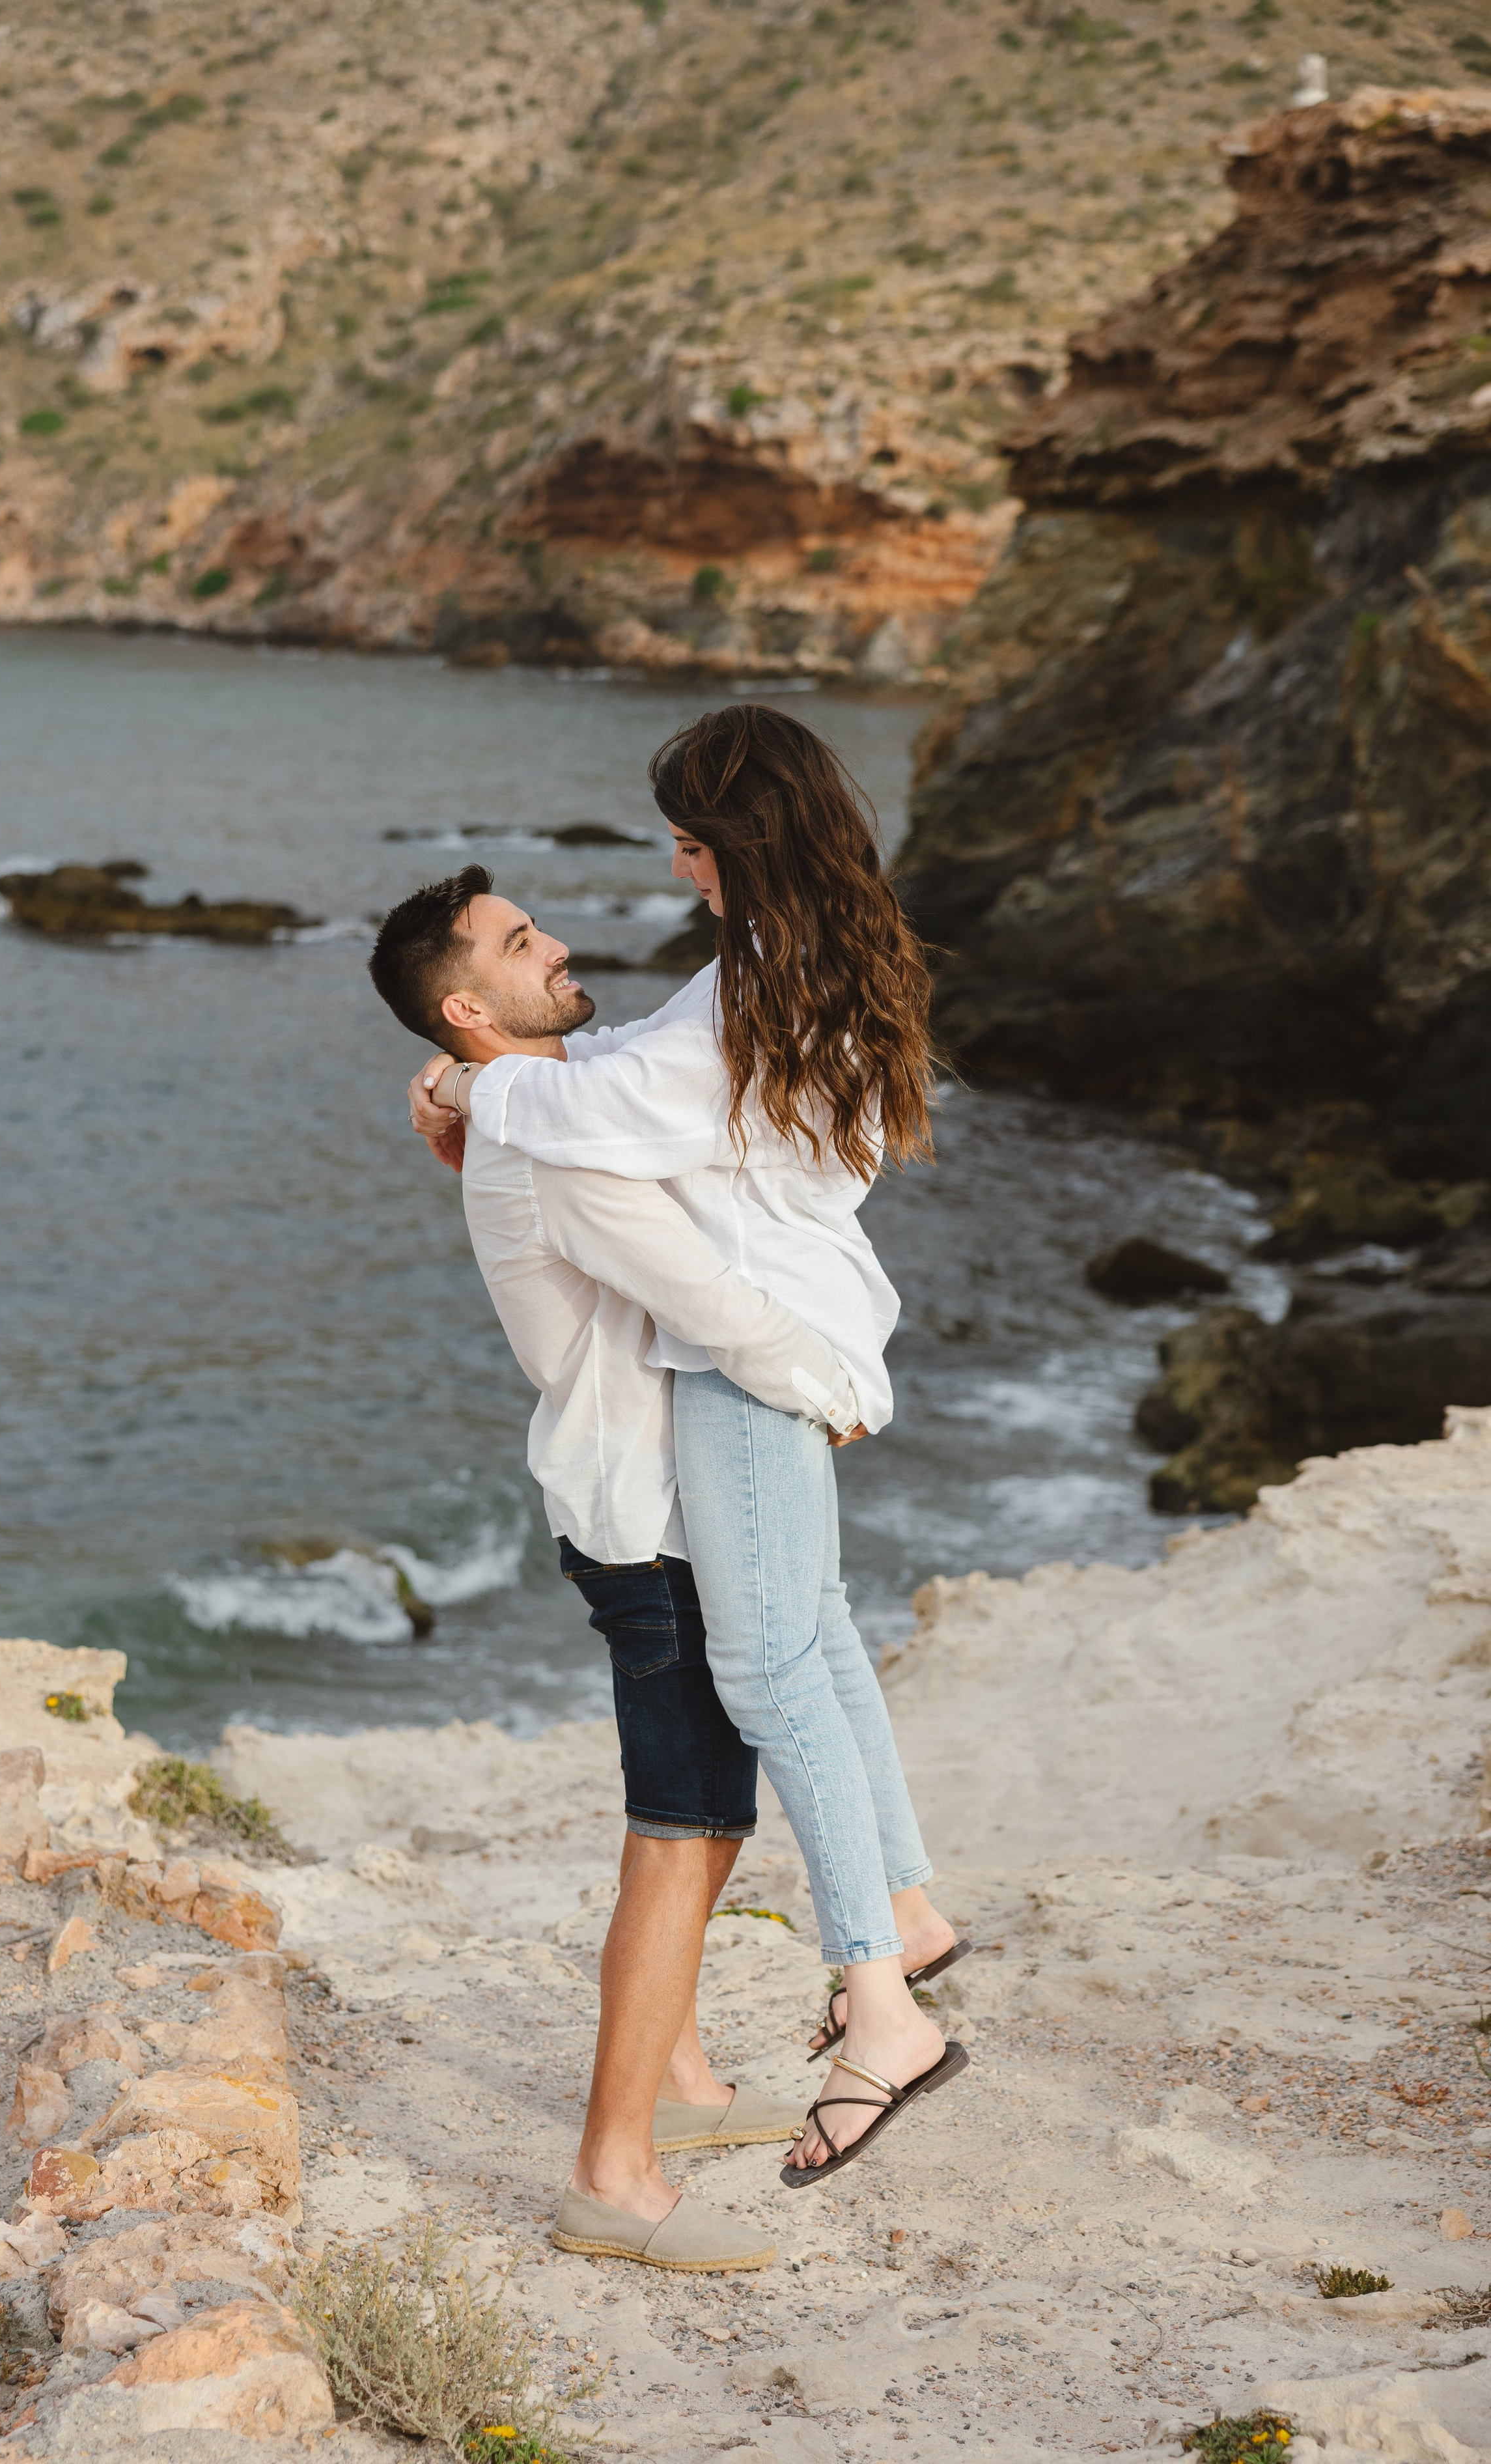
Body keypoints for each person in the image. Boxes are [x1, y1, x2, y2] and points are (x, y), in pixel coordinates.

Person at [406, 705, 969, 2189]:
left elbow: (621, 1105)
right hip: (776, 1339)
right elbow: (630, 1072)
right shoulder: (786, 959)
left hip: (753, 1355)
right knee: (810, 1638)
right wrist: (484, 1089)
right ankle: (902, 1921)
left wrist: (474, 1082)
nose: (673, 867)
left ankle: (880, 2002)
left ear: (740, 838)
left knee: (770, 1675)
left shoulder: (753, 983)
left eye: (687, 840)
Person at [369, 865, 869, 2272]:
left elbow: (637, 1073)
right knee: (681, 1831)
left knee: (709, 1822)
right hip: (648, 1523)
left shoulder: (543, 1099)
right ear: (470, 1007)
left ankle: (682, 2079)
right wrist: (827, 1380)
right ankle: (611, 2175)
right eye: (521, 942)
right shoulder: (553, 1144)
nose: (559, 946)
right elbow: (705, 1294)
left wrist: (454, 1088)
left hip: (651, 1506)